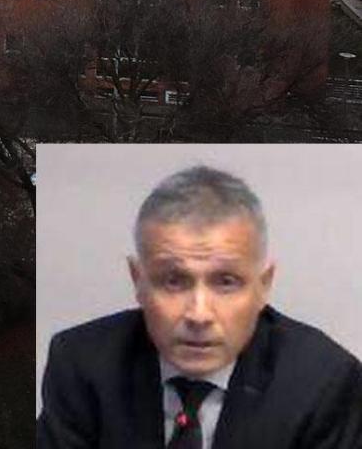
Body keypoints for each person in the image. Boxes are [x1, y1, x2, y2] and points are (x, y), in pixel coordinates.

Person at [37, 165, 362, 448]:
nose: (199, 314)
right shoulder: (82, 365)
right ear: (138, 280)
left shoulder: (323, 382)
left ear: (264, 285)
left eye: (226, 282)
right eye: (173, 281)